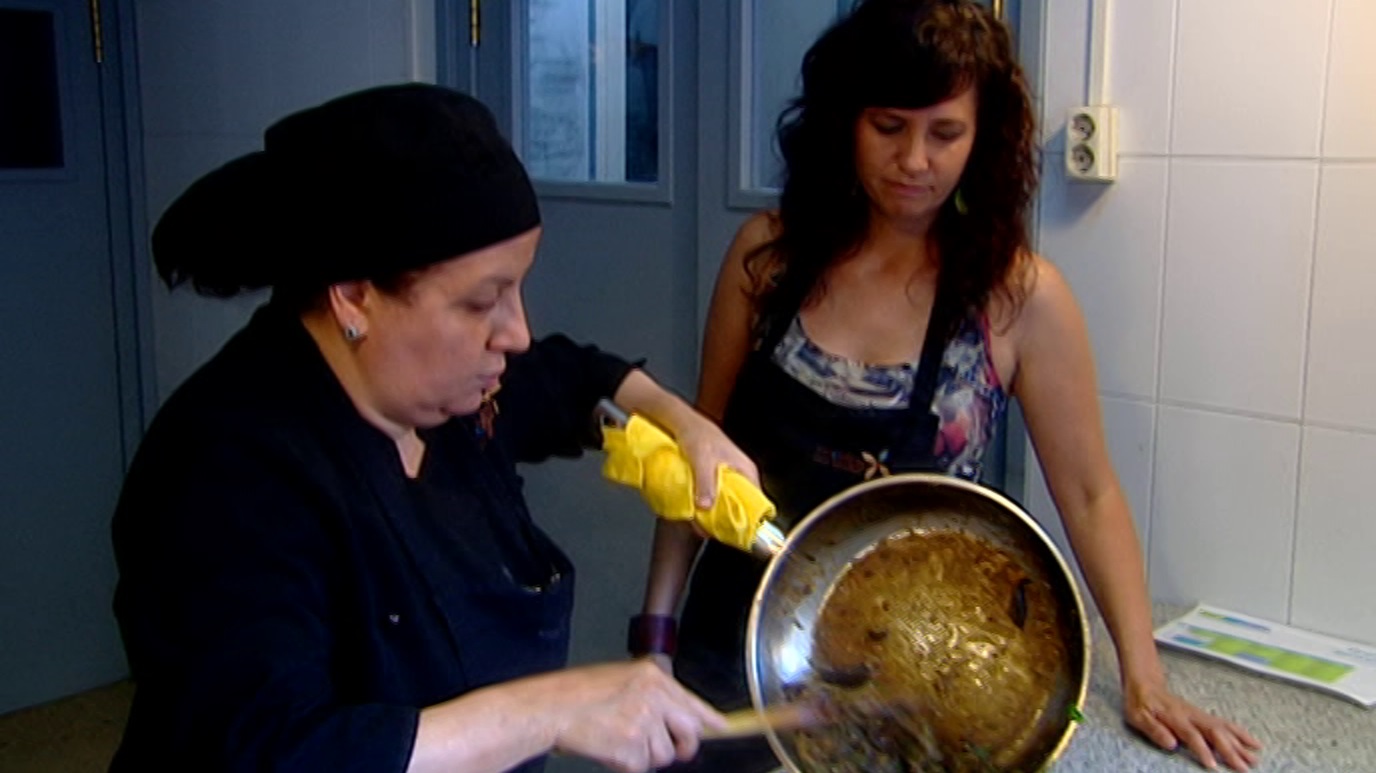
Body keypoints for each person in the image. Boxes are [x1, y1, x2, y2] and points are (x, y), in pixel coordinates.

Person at [637, 2, 1262, 771]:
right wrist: (654, 640)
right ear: (845, 122)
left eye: (945, 133)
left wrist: (1145, 678)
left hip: (909, 688)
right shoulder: (766, 258)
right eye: (888, 126)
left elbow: (1091, 494)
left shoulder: (1019, 299)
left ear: (982, 138)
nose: (914, 160)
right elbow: (697, 452)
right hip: (728, 657)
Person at [109, 83, 752, 773]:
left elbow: (578, 377)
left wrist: (685, 426)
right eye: (482, 301)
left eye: (517, 288)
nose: (516, 332)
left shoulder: (452, 390)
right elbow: (273, 748)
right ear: (354, 296)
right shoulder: (225, 469)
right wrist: (549, 710)